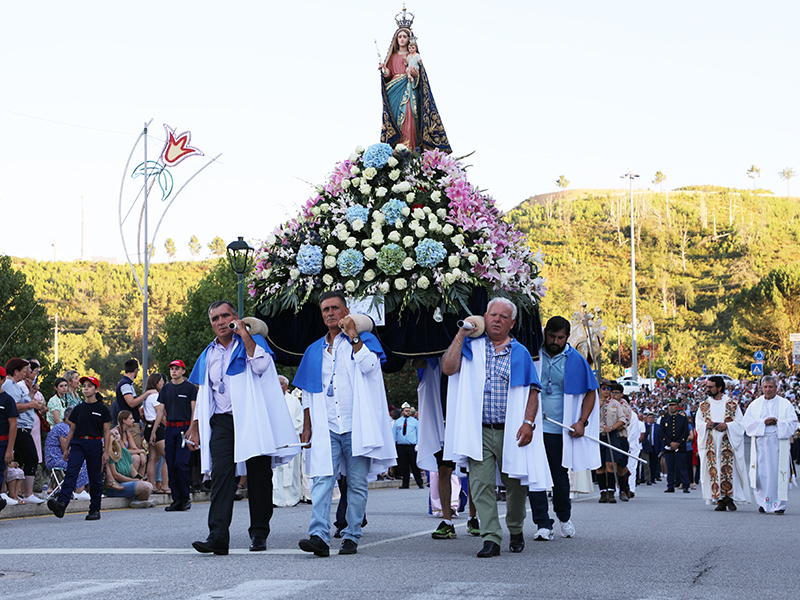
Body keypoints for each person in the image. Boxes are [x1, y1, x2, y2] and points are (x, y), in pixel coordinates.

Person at [186, 301, 299, 555]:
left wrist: (244, 333)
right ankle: (217, 536)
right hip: (223, 420)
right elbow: (204, 392)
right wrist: (195, 425)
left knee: (259, 475)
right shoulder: (208, 354)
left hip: (252, 417)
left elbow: (260, 365)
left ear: (235, 317)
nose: (220, 322)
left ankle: (259, 533)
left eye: (225, 316)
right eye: (215, 318)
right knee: (222, 476)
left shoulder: (251, 342)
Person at [442, 298, 548, 558]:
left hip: (510, 431)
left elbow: (533, 391)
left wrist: (528, 423)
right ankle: (490, 537)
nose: (497, 319)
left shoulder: (520, 352)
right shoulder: (470, 347)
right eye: (492, 314)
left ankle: (515, 527)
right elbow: (447, 367)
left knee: (514, 486)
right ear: (484, 317)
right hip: (478, 430)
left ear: (512, 323)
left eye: (503, 316)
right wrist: (461, 333)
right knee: (480, 485)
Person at [295, 292, 396, 557]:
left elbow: (369, 366)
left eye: (335, 308)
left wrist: (353, 336)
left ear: (346, 310)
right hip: (326, 423)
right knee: (322, 479)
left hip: (356, 423)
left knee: (356, 482)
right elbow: (307, 391)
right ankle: (318, 534)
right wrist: (307, 426)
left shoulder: (364, 340)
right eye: (325, 309)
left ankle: (352, 534)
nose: (330, 313)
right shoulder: (314, 349)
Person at [528, 316, 599, 541]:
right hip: (534, 426)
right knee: (535, 476)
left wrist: (581, 421)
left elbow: (591, 392)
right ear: (545, 332)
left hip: (560, 430)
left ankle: (564, 516)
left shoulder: (575, 360)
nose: (555, 341)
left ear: (567, 337)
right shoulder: (533, 354)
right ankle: (542, 523)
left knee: (559, 478)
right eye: (551, 336)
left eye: (560, 337)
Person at [47, 376, 111, 520]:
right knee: (71, 472)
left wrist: (106, 451)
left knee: (94, 477)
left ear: (96, 389)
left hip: (94, 444)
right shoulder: (78, 409)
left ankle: (95, 509)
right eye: (84, 386)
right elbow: (72, 430)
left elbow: (106, 432)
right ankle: (62, 503)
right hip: (78, 443)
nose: (86, 388)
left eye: (89, 386)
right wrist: (66, 448)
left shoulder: (102, 409)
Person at [378, 25, 450, 152]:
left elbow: (421, 77)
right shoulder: (393, 56)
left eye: (404, 36)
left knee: (410, 115)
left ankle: (410, 148)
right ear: (396, 39)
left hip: (411, 88)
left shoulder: (415, 56)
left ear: (409, 40)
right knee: (395, 119)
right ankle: (396, 151)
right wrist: (384, 70)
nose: (402, 39)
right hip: (394, 91)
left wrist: (416, 75)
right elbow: (388, 75)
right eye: (399, 36)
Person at [743, 375, 798, 514]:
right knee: (762, 475)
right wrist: (763, 423)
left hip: (779, 444)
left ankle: (778, 506)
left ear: (776, 388)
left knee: (778, 475)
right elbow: (747, 423)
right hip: (761, 444)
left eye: (771, 387)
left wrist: (778, 422)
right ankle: (764, 503)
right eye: (765, 387)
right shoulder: (755, 404)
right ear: (761, 388)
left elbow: (793, 422)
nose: (768, 390)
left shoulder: (785, 404)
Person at [696, 376, 750, 510]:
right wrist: (705, 425)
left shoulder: (731, 404)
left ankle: (729, 497)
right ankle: (719, 499)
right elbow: (698, 424)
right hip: (711, 444)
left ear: (719, 388)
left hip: (728, 443)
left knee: (728, 471)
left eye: (710, 387)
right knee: (714, 471)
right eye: (707, 386)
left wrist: (727, 426)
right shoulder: (704, 405)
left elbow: (740, 424)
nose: (707, 389)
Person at [3, 358, 45, 504]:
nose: (26, 373)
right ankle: (27, 493)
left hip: (24, 427)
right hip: (19, 427)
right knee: (31, 457)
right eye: (23, 370)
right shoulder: (9, 384)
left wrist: (32, 395)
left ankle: (17, 494)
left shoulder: (15, 385)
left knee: (19, 460)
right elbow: (13, 406)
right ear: (16, 371)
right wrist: (31, 405)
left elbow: (24, 402)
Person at [158, 360, 197, 511]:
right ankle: (176, 499)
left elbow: (194, 410)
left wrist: (192, 428)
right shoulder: (165, 389)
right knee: (171, 464)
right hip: (169, 429)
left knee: (181, 463)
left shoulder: (190, 388)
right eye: (172, 369)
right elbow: (160, 411)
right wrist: (155, 431)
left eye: (177, 369)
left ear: (183, 371)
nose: (174, 371)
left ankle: (185, 497)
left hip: (184, 429)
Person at [44, 406, 90, 500]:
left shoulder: (67, 428)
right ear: (67, 417)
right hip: (55, 459)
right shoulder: (63, 427)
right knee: (82, 462)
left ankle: (84, 490)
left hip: (58, 459)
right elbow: (67, 450)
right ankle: (79, 491)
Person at [596, 381, 631, 503]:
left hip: (612, 435)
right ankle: (602, 492)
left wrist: (612, 427)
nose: (606, 390)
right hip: (599, 435)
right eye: (604, 388)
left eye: (608, 388)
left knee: (611, 464)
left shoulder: (616, 404)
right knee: (599, 466)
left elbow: (623, 420)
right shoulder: (594, 402)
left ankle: (611, 492)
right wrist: (598, 406)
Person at [272, 375, 304, 508]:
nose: (278, 386)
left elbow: (299, 420)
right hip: (275, 441)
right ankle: (275, 498)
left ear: (286, 386)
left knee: (292, 470)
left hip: (290, 440)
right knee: (276, 471)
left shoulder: (294, 401)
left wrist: (287, 430)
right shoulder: (270, 400)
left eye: (281, 384)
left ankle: (292, 497)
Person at [104, 431, 154, 507]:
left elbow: (133, 472)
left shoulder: (125, 452)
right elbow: (115, 475)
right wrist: (133, 480)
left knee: (149, 485)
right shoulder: (108, 453)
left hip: (126, 483)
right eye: (111, 434)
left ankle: (139, 501)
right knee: (145, 487)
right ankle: (139, 501)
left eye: (117, 434)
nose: (115, 436)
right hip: (115, 486)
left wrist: (140, 479)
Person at [113, 358, 154, 444]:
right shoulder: (125, 384)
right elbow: (131, 403)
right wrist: (146, 394)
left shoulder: (127, 384)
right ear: (136, 370)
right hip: (130, 423)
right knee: (137, 448)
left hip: (132, 421)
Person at [142, 372, 169, 494]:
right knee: (168, 456)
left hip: (148, 426)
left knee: (153, 458)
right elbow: (161, 414)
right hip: (157, 428)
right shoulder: (155, 396)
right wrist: (168, 426)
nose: (162, 384)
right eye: (160, 382)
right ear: (155, 383)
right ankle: (165, 485)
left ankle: (152, 485)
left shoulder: (148, 397)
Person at [661, 399, 690, 494]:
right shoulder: (664, 418)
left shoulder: (682, 418)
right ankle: (670, 485)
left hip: (680, 446)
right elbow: (662, 433)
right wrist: (670, 443)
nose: (671, 407)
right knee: (670, 467)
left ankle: (685, 485)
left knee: (682, 467)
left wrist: (678, 443)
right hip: (669, 447)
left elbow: (685, 432)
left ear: (677, 406)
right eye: (670, 405)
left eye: (673, 405)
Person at [0, 366, 19, 513]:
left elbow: (13, 425)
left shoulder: (7, 400)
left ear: (3, 380)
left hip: (2, 442)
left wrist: (9, 449)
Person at [393, 402, 424, 489]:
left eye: (409, 411)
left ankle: (419, 482)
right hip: (401, 446)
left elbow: (418, 433)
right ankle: (405, 483)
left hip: (412, 446)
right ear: (402, 411)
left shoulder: (415, 422)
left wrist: (418, 444)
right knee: (404, 465)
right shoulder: (397, 422)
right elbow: (394, 434)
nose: (408, 412)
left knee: (414, 465)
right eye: (406, 411)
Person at [642, 411, 661, 484]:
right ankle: (644, 478)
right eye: (649, 418)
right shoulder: (644, 426)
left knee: (653, 463)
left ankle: (652, 478)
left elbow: (660, 438)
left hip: (654, 446)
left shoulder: (657, 427)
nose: (651, 419)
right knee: (646, 463)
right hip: (646, 446)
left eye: (652, 418)